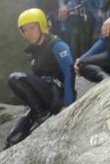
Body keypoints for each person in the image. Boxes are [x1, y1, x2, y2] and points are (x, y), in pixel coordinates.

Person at [5, 8, 75, 149]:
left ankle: (42, 114)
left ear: (42, 25)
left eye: (32, 28)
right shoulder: (34, 52)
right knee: (12, 138)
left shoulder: (57, 44)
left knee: (15, 78)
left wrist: (68, 104)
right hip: (44, 95)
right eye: (25, 30)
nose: (29, 33)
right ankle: (39, 112)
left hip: (56, 95)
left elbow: (69, 71)